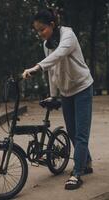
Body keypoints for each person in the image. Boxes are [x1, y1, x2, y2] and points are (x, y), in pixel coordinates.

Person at [22, 8, 93, 190]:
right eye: (37, 31)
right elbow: (52, 70)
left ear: (52, 25)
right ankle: (87, 161)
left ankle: (77, 173)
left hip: (83, 88)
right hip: (66, 92)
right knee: (71, 131)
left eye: (42, 29)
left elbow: (59, 54)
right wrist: (53, 95)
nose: (40, 34)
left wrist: (37, 67)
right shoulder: (46, 45)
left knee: (81, 133)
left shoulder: (68, 35)